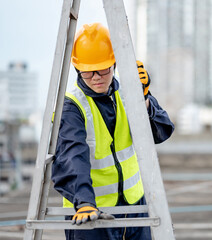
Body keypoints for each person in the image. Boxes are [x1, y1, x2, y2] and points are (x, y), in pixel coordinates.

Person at [51, 22, 174, 240]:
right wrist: (84, 202)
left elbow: (161, 132)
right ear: (78, 69)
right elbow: (71, 157)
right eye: (88, 72)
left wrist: (144, 99)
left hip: (135, 206)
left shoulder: (129, 93)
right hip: (90, 213)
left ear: (115, 64)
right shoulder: (72, 107)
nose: (96, 77)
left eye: (103, 69)